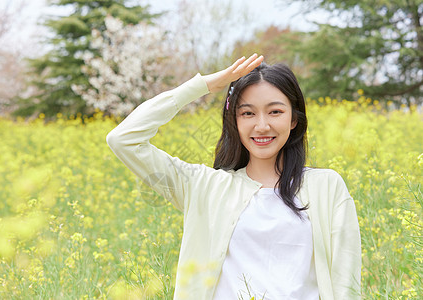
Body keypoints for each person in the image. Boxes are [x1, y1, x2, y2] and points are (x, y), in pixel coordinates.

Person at [106, 54, 362, 300]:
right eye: (248, 113)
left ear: (294, 119)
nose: (262, 126)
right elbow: (124, 139)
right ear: (234, 121)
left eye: (275, 112)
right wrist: (204, 85)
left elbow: (345, 280)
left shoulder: (327, 187)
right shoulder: (204, 187)